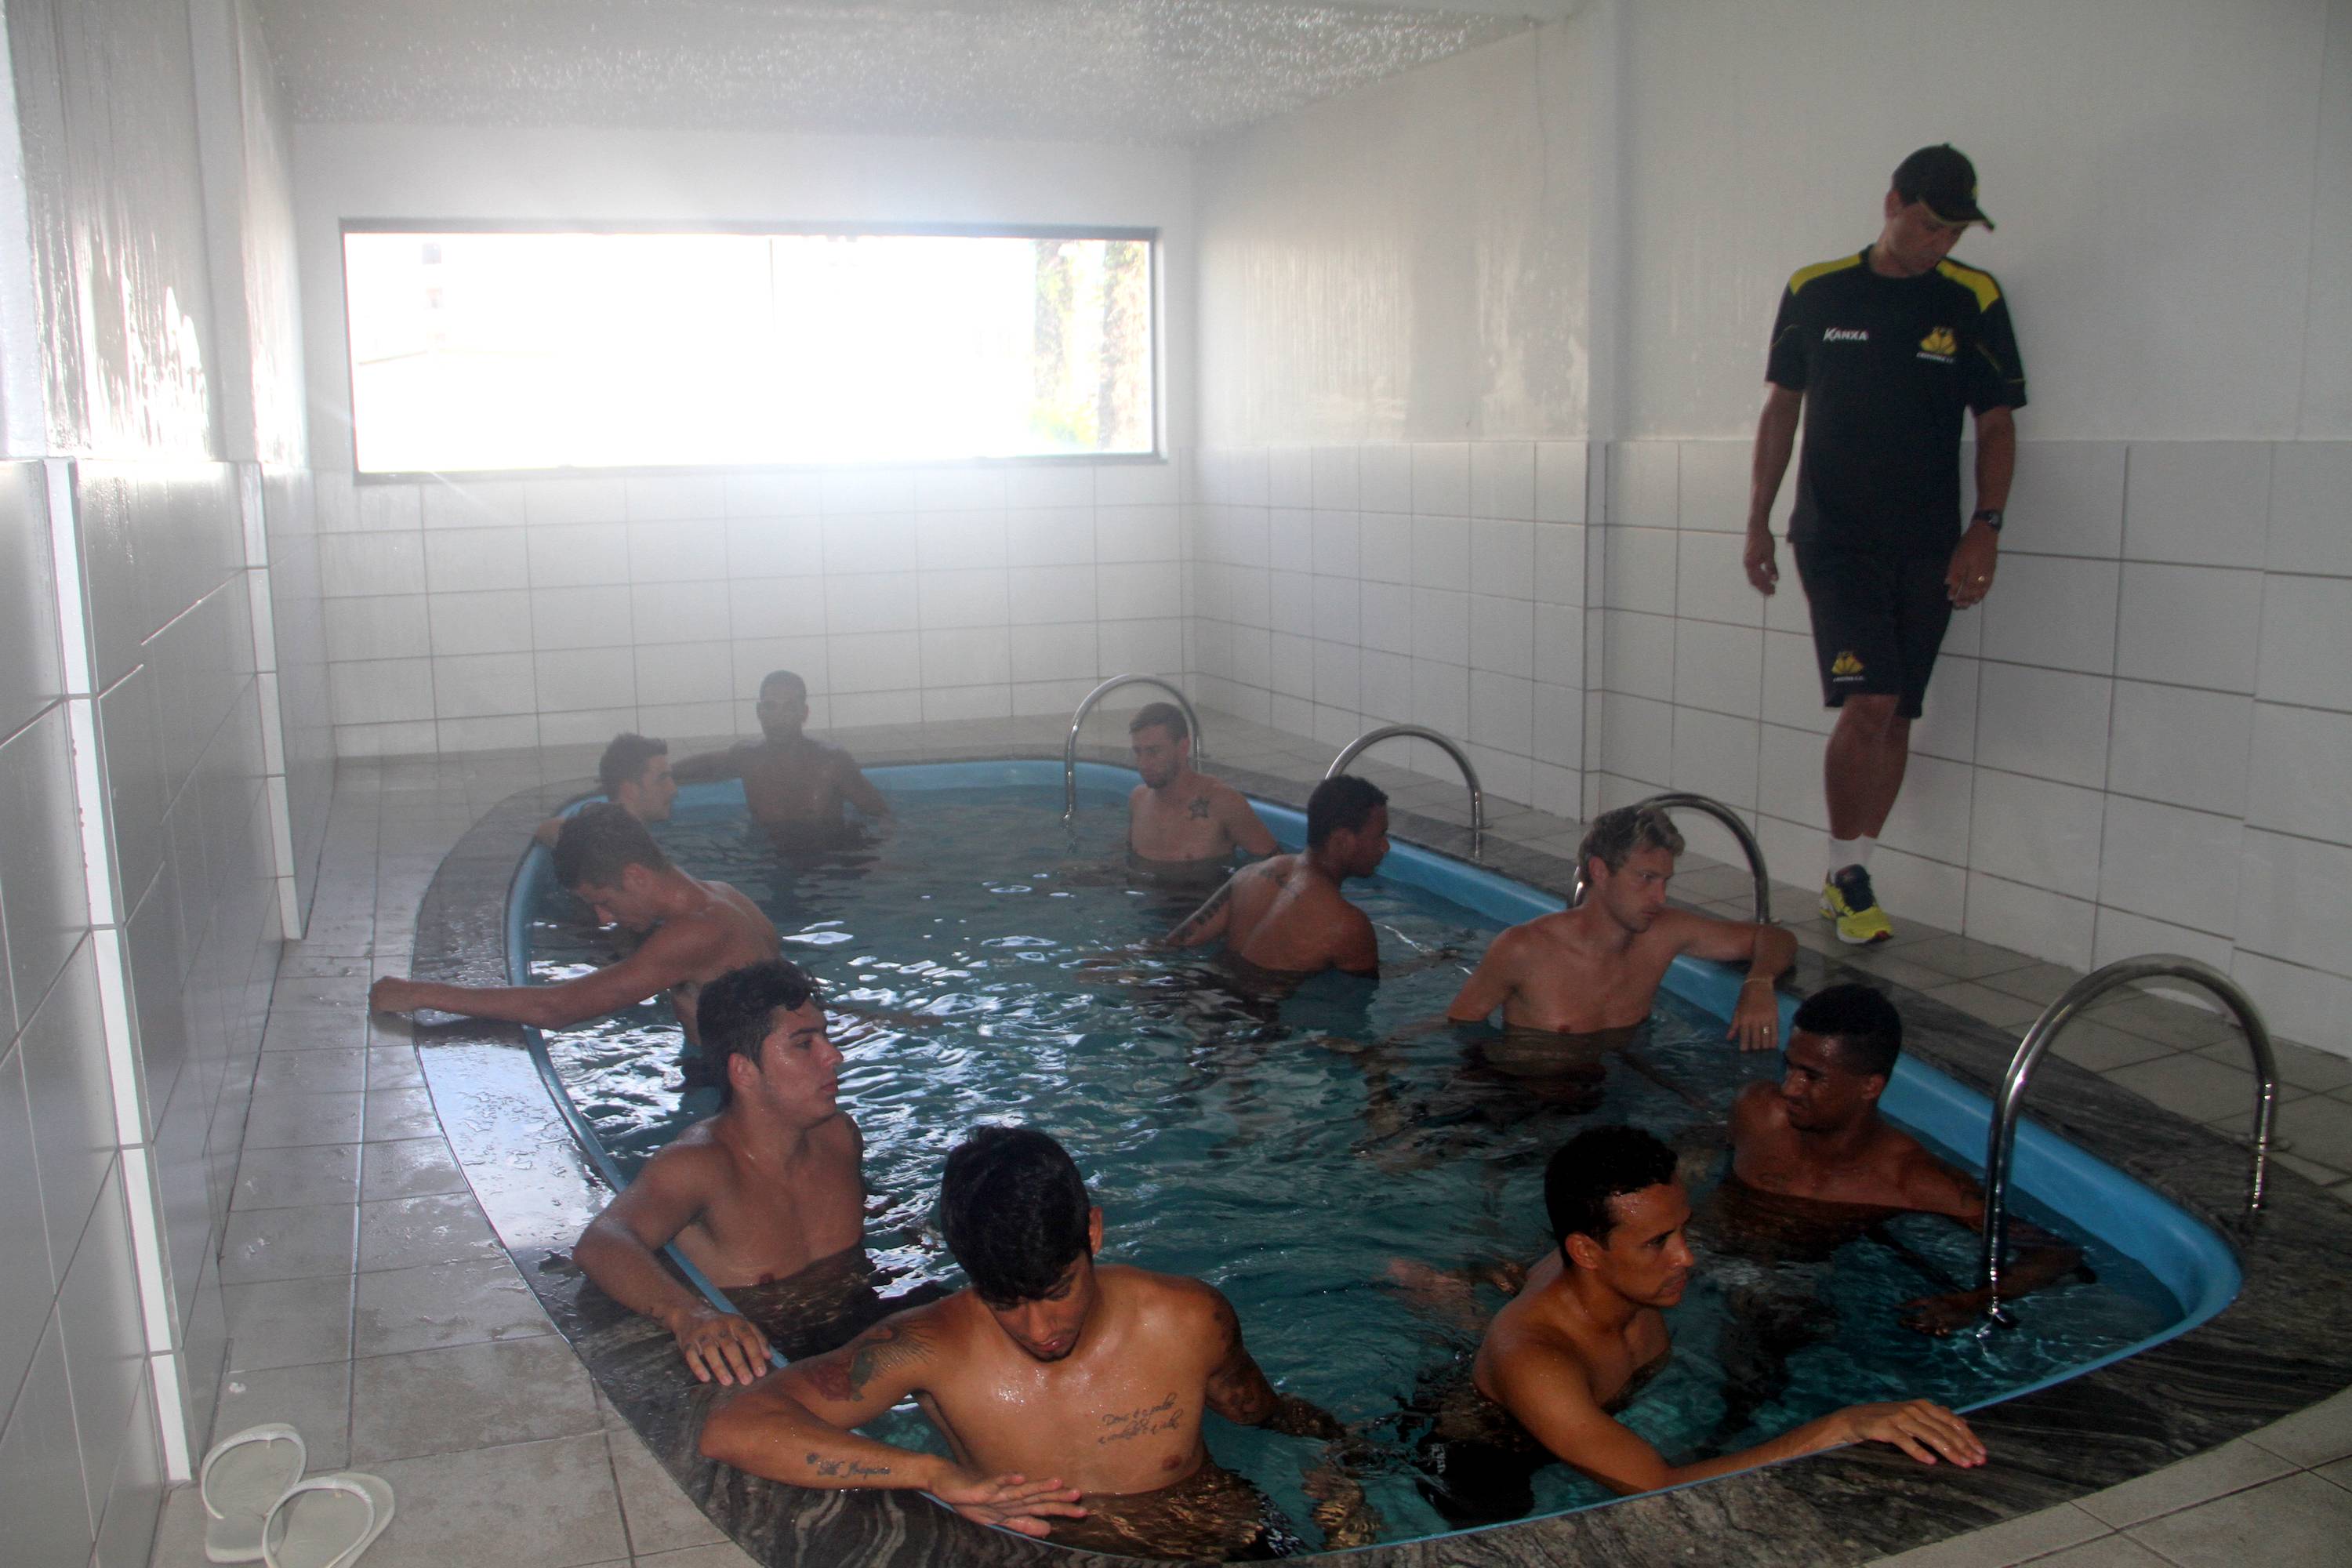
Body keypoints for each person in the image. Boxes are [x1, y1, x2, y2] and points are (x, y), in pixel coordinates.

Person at [698, 1126, 1375, 1557]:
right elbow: (737, 1427)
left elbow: (1257, 1411)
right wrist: (937, 1476)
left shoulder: (1190, 1319)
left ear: (1094, 1235)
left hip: (1224, 1539)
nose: (1040, 1329)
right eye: (1004, 1302)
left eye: (1056, 1292)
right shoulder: (927, 1347)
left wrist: (1341, 1466)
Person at [1741, 143, 2027, 945]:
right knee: (1868, 698)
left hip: (1928, 542)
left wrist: (1987, 526)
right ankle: (1846, 867)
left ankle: (1851, 868)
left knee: (1898, 709)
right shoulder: (1815, 289)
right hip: (1833, 536)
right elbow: (1781, 410)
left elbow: (1997, 422)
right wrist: (1758, 517)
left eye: (1954, 233)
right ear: (1892, 202)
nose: (1940, 244)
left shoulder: (1974, 298)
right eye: (1929, 225)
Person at [1417, 1125, 1983, 1524]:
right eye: (1658, 1242)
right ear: (1587, 1253)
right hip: (1485, 1452)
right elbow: (1656, 1490)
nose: (1686, 1257)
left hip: (1572, 1400)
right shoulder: (1539, 1362)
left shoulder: (1617, 1275)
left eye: (1681, 1230)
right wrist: (1840, 1427)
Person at [574, 958, 947, 1385]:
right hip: (769, 1350)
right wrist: (691, 1316)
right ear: (744, 1071)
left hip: (861, 1315)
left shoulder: (838, 1136)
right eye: (805, 1044)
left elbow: (865, 1197)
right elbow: (603, 1242)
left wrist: (906, 1224)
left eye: (825, 1037)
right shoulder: (700, 1167)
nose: (835, 1056)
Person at [1725, 982, 2079, 1335]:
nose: (1789, 1088)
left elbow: (2055, 1254)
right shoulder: (1758, 1112)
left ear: (1870, 1087)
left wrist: (1975, 1301)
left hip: (1783, 1290)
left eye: (1811, 1076)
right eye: (1790, 1067)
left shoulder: (1911, 1179)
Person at [369, 803, 779, 1045]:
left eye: (603, 902)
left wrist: (420, 993)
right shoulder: (722, 895)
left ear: (636, 876)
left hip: (748, 1095)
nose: (603, 918)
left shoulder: (694, 935)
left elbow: (557, 1008)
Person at [1445, 804, 1795, 1051]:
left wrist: (1759, 982)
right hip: (1526, 1099)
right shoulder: (1524, 949)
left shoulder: (1665, 931)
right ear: (1599, 871)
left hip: (1616, 1085)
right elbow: (1461, 1030)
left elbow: (1775, 939)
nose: (1660, 897)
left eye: (1664, 881)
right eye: (1646, 878)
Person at [1165, 775, 1389, 979]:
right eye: (1380, 836)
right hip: (1250, 1017)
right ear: (1342, 842)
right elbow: (1360, 1001)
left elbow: (1178, 941)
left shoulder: (1249, 875)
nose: (1385, 847)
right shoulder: (1348, 925)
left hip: (1197, 988)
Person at [672, 670, 891, 851]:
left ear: (803, 713)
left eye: (790, 707)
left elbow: (881, 814)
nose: (779, 718)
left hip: (827, 863)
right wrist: (662, 773)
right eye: (771, 706)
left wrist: (884, 855)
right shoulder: (747, 757)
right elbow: (710, 765)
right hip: (768, 857)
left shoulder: (832, 762)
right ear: (760, 712)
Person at [1125, 702, 1276, 882]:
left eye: (1153, 751)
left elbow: (1277, 867)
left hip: (1204, 905)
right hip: (1145, 903)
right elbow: (1127, 858)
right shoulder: (1138, 799)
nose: (1143, 764)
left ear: (1183, 747)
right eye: (1138, 752)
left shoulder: (1222, 803)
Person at [535, 731, 677, 848]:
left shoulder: (622, 839)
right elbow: (547, 829)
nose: (674, 790)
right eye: (662, 779)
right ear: (630, 790)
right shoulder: (616, 847)